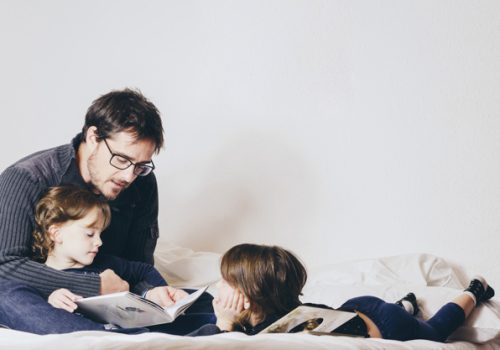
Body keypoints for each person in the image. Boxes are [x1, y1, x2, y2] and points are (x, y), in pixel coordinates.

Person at [0, 88, 213, 331]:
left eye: (140, 165)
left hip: (115, 298)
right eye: (121, 160)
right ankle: (113, 341)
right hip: (47, 296)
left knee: (199, 301)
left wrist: (151, 293)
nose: (128, 176)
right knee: (6, 296)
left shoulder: (142, 182)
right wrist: (93, 286)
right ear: (93, 137)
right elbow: (6, 266)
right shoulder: (27, 178)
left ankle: (236, 322)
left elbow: (136, 265)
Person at [0, 185, 214, 334]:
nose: (99, 242)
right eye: (90, 234)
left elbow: (143, 271)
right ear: (56, 233)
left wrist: (154, 292)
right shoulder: (40, 277)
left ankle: (229, 319)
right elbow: (33, 312)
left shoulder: (105, 264)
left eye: (100, 233)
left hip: (135, 320)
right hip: (98, 329)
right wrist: (52, 299)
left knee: (203, 298)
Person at [188, 243, 495, 342]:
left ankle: (474, 290)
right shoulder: (247, 322)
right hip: (349, 309)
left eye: (226, 282)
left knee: (434, 332)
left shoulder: (292, 330)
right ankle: (406, 304)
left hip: (380, 319)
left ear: (251, 293)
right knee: (404, 307)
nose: (217, 288)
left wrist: (225, 323)